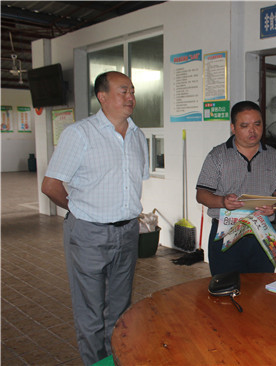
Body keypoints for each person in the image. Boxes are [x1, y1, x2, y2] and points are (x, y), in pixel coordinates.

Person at [41, 71, 149, 365]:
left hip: (127, 233)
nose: (131, 97)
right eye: (123, 91)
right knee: (90, 313)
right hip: (88, 234)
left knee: (120, 310)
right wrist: (80, 211)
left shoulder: (139, 137)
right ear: (102, 97)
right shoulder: (79, 134)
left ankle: (115, 359)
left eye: (132, 91)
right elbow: (50, 186)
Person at [196, 100, 276, 275]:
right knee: (226, 290)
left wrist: (275, 205)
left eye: (257, 124)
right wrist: (222, 201)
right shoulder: (217, 156)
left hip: (262, 234)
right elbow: (201, 194)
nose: (252, 130)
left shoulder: (274, 156)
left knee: (261, 289)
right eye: (244, 125)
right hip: (225, 233)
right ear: (233, 127)